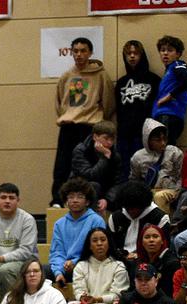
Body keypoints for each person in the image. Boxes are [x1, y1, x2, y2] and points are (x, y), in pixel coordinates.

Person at [51, 38, 115, 206]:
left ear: (90, 53)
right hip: (68, 126)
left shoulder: (101, 75)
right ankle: (58, 200)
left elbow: (109, 104)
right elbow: (60, 103)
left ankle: (88, 200)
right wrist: (69, 115)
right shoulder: (66, 76)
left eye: (83, 50)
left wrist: (98, 120)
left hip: (89, 127)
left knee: (88, 167)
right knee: (62, 165)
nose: (79, 54)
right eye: (76, 51)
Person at [0, 183, 39, 301]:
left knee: (5, 270)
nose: (7, 201)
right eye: (3, 197)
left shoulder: (27, 220)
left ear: (18, 200)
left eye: (11, 198)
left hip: (24, 263)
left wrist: (0, 258)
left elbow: (26, 251)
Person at [115, 40, 161, 178]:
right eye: (129, 53)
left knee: (146, 171)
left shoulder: (154, 80)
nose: (132, 56)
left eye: (136, 53)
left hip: (145, 134)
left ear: (142, 55)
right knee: (125, 170)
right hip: (124, 135)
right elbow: (118, 109)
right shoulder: (121, 83)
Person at [50, 178, 107, 286]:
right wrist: (58, 272)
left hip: (89, 265)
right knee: (41, 271)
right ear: (66, 201)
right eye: (71, 197)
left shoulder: (96, 220)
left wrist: (75, 262)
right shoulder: (59, 224)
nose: (75, 200)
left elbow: (98, 251)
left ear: (87, 201)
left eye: (80, 197)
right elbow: (57, 252)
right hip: (65, 267)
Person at [69, 228, 130, 304]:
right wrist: (82, 297)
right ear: (89, 245)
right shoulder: (81, 266)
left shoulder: (118, 266)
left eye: (103, 240)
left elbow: (118, 295)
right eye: (94, 241)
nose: (99, 243)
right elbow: (78, 290)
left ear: (108, 243)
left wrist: (97, 299)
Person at [108, 181, 170, 262]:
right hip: (119, 260)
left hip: (149, 261)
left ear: (144, 206)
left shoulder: (160, 218)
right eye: (128, 209)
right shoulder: (115, 217)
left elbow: (164, 248)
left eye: (135, 209)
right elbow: (111, 245)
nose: (131, 212)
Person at [131, 119, 183, 214]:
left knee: (159, 196)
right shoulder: (138, 157)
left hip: (171, 190)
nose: (163, 143)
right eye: (158, 140)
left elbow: (181, 175)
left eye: (164, 139)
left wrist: (177, 192)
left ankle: (163, 227)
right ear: (148, 140)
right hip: (149, 190)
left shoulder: (174, 152)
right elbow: (134, 181)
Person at [152, 36, 187, 145]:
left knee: (165, 150)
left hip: (169, 115)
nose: (165, 53)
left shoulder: (177, 65)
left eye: (170, 50)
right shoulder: (169, 70)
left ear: (178, 54)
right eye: (162, 50)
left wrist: (170, 96)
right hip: (164, 115)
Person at [70, 120, 122, 211]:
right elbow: (90, 176)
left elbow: (117, 182)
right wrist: (104, 158)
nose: (110, 142)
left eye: (112, 139)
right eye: (106, 138)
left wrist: (107, 199)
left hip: (105, 193)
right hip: (81, 190)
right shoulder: (81, 150)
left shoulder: (115, 155)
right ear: (95, 137)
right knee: (94, 185)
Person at [134, 223, 178, 297]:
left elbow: (168, 294)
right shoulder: (138, 262)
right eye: (147, 237)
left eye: (155, 236)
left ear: (162, 241)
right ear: (141, 242)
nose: (151, 240)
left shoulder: (172, 263)